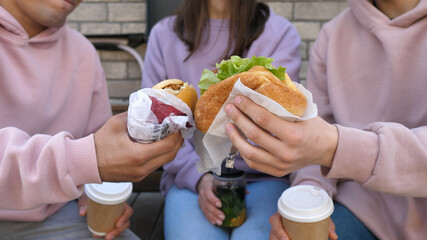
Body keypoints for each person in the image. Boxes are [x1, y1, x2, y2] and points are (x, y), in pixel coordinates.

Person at [224, 0, 427, 239]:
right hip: (358, 209)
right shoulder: (332, 37)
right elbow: (313, 153)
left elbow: (324, 144)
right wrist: (303, 203)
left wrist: (335, 147)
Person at [0, 0, 183, 239]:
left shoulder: (83, 52)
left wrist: (100, 197)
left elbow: (96, 146)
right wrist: (87, 161)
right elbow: (91, 157)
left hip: (64, 213)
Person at [141, 0, 301, 239]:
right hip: (189, 180)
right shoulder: (164, 35)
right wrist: (200, 179)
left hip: (263, 178)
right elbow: (157, 124)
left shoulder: (280, 34)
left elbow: (284, 119)